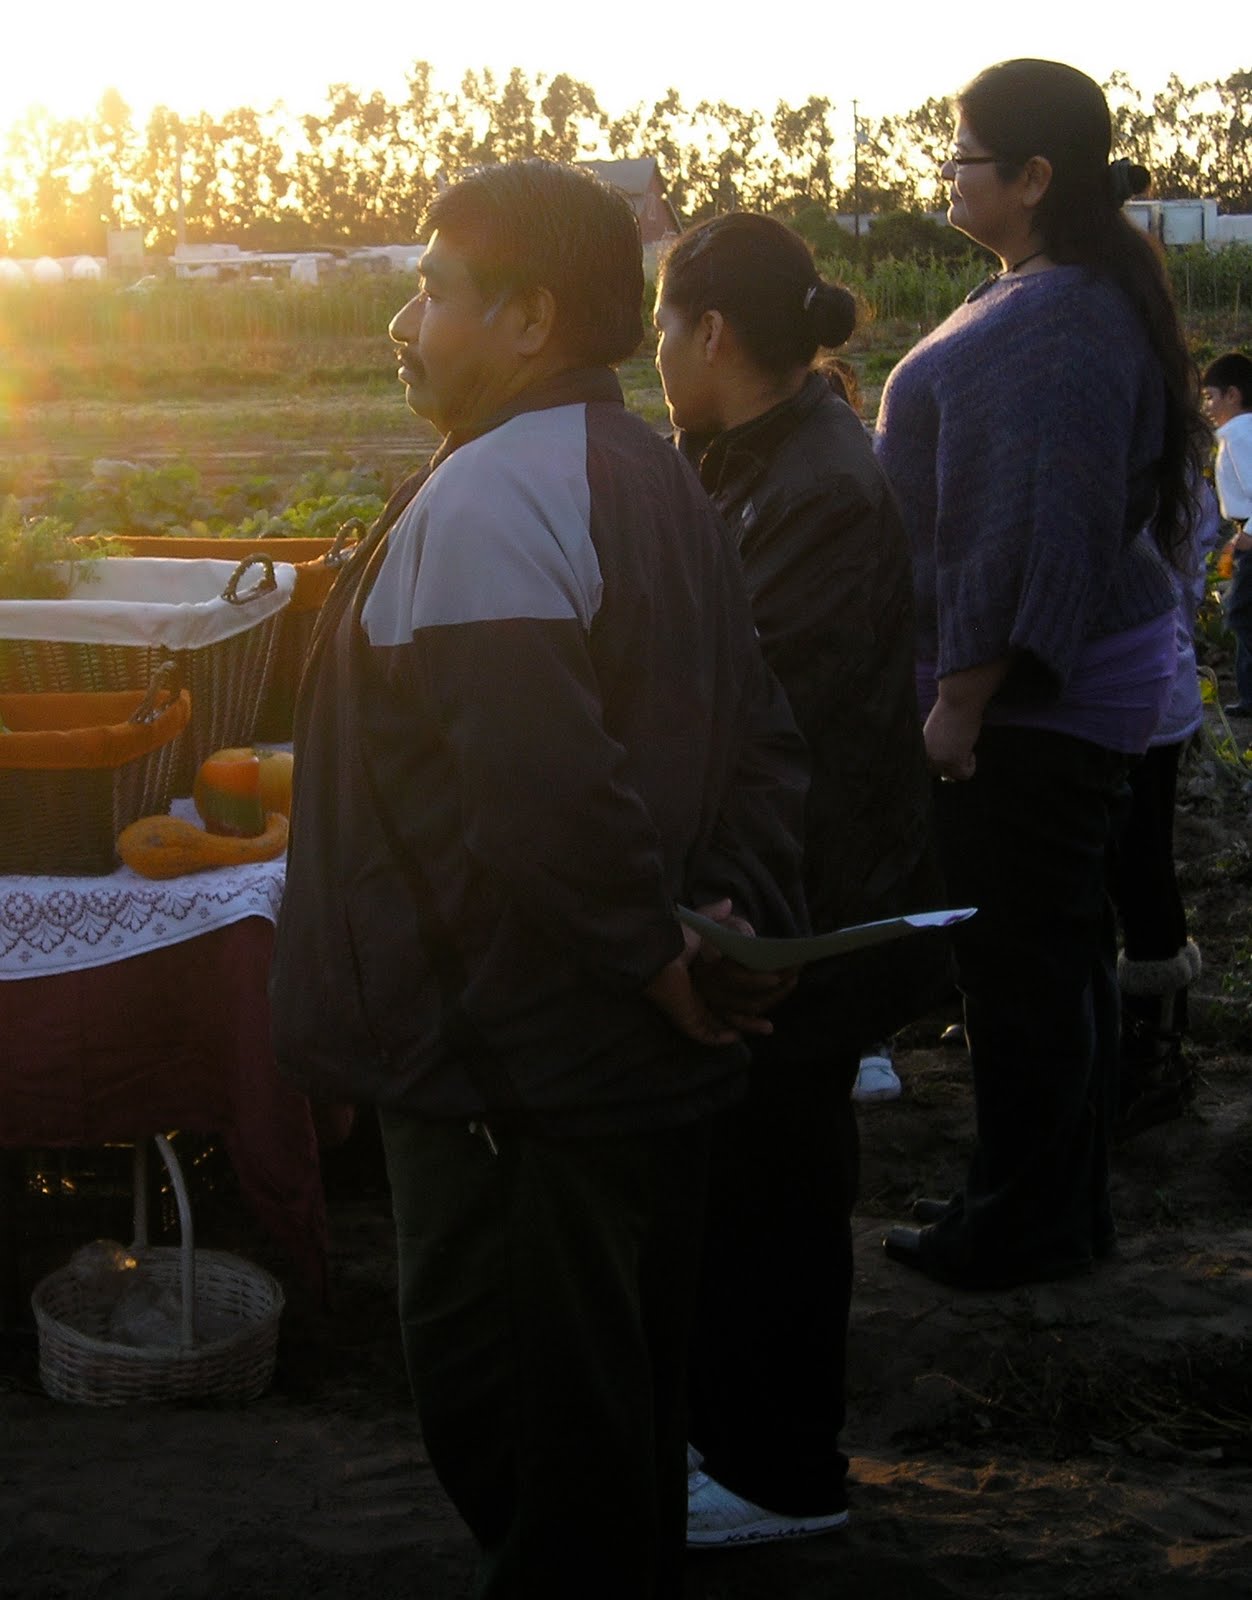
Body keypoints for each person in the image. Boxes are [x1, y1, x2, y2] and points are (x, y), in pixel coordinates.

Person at [269, 161, 810, 1599]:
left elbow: (537, 795)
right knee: (609, 1420)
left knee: (524, 1430)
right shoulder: (646, 470)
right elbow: (759, 740)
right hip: (615, 1055)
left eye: (432, 291)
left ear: (531, 318)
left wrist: (652, 953)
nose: (402, 322)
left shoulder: (505, 492)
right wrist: (723, 926)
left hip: (511, 1069)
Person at [875, 58, 1208, 1290]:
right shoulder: (1047, 291)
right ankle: (1046, 1200)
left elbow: (1033, 536)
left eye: (963, 155)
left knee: (1020, 965)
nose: (947, 174)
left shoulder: (1058, 320)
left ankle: (1024, 1224)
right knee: (1053, 953)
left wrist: (960, 702)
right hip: (1051, 686)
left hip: (1032, 698)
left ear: (1031, 177)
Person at [653, 211, 947, 1545]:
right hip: (778, 882)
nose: (654, 353)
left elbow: (757, 702)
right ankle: (736, 1440)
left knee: (776, 1187)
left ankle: (781, 1477)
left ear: (712, 333)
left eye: (663, 327)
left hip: (801, 898)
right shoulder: (752, 453)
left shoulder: (817, 486)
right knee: (744, 1177)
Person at [1111, 477, 1219, 1137]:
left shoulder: (1131, 454)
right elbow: (1188, 573)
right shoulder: (1177, 464)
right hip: (1160, 682)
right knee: (1142, 864)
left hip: (1121, 689)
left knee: (1132, 866)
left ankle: (1149, 1053)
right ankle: (1151, 1046)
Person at [1200, 352, 1252, 715]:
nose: (1207, 407)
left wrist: (1249, 533)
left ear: (1233, 395)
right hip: (1245, 529)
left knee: (1242, 615)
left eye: (1211, 397)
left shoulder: (1239, 434)